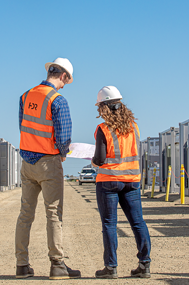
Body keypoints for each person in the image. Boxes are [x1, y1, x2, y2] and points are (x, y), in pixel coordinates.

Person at [15, 57, 81, 280]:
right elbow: (64, 136)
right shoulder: (58, 100)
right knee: (53, 213)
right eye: (66, 81)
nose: (64, 86)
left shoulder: (25, 96)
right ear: (62, 76)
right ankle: (57, 265)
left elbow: (23, 126)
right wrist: (62, 153)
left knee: (26, 214)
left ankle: (22, 265)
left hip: (27, 162)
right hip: (49, 162)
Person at [91, 86, 151, 279]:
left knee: (109, 224)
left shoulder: (103, 128)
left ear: (104, 107)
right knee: (138, 222)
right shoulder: (134, 126)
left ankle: (111, 267)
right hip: (132, 181)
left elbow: (99, 159)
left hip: (109, 181)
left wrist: (92, 161)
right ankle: (144, 264)